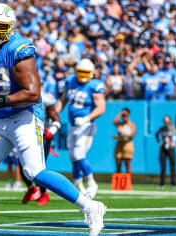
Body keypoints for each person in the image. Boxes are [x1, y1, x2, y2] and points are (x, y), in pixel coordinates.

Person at [0, 4, 106, 236]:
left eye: (0, 28)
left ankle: (91, 206)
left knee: (35, 171)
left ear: (11, 28)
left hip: (24, 115)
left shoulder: (20, 50)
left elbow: (33, 94)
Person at [55, 58, 106, 200]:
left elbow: (101, 107)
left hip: (87, 126)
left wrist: (86, 119)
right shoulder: (71, 80)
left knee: (78, 154)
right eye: (80, 72)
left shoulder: (95, 86)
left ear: (91, 73)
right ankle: (78, 185)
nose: (82, 75)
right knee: (73, 157)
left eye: (85, 72)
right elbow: (63, 99)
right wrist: (55, 113)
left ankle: (91, 182)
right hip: (73, 125)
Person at [21, 91, 61, 206]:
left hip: (41, 136)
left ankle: (44, 193)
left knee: (38, 167)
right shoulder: (20, 94)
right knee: (21, 165)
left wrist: (51, 131)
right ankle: (31, 188)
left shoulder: (45, 98)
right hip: (25, 134)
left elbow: (56, 120)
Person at [155, 115, 176, 189]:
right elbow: (156, 135)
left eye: (167, 121)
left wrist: (175, 143)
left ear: (170, 121)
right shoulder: (162, 129)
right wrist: (159, 141)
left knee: (172, 166)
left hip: (171, 148)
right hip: (163, 148)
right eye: (165, 121)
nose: (166, 123)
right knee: (162, 166)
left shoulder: (173, 128)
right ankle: (162, 183)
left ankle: (173, 183)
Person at [113, 108, 136, 174]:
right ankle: (118, 183)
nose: (124, 117)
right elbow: (114, 121)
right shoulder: (120, 124)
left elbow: (132, 135)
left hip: (128, 145)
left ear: (129, 115)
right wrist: (120, 113)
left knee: (127, 164)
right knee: (118, 163)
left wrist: (124, 135)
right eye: (123, 115)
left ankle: (128, 182)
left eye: (125, 115)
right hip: (119, 144)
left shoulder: (132, 124)